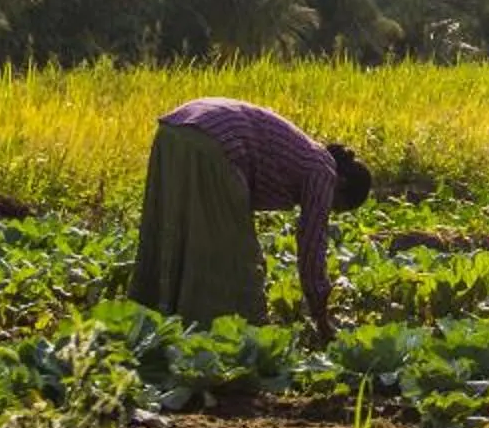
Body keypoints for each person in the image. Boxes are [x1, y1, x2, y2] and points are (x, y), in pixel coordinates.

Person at [127, 97, 372, 343]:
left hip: (173, 132)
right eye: (335, 207)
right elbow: (311, 246)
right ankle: (215, 337)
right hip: (214, 143)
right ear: (341, 184)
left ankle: (151, 321)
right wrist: (321, 317)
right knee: (233, 256)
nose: (328, 209)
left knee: (175, 228)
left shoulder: (306, 154)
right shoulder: (323, 172)